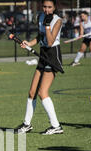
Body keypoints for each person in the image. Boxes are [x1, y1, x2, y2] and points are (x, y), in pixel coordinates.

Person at [17, 0, 64, 135]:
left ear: (54, 7)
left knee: (42, 93)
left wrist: (48, 24)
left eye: (49, 7)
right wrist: (29, 43)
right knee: (32, 92)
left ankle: (56, 126)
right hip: (43, 55)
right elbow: (40, 37)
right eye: (44, 6)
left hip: (52, 55)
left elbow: (50, 41)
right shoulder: (41, 17)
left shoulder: (57, 20)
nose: (46, 10)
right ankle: (26, 125)